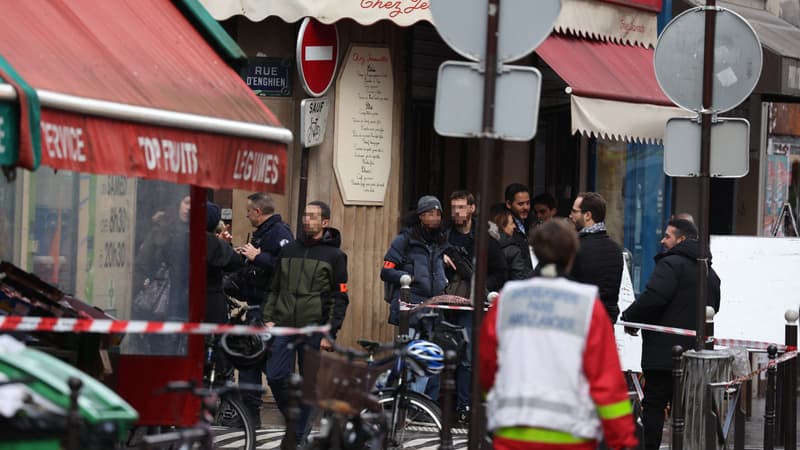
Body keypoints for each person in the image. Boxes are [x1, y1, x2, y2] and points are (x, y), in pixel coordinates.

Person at [478, 219, 638, 450]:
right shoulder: (587, 305)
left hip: (513, 433)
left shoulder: (508, 300)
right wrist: (622, 439)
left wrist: (496, 403)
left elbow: (487, 365)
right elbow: (606, 381)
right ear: (572, 255)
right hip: (571, 436)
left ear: (536, 252)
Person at [621, 218, 721, 450]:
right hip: (696, 354)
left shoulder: (671, 264)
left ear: (681, 239)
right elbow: (715, 306)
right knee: (689, 408)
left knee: (655, 404)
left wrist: (630, 317)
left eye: (667, 236)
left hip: (664, 354)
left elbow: (654, 297)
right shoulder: (709, 270)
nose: (662, 240)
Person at [263, 200, 349, 446]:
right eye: (305, 215)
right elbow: (274, 287)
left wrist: (330, 333)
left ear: (325, 222)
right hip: (283, 325)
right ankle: (296, 421)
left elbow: (340, 297)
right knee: (276, 376)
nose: (306, 220)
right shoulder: (288, 249)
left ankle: (298, 436)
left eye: (312, 216)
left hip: (314, 329)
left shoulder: (335, 256)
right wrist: (268, 317)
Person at [231, 192, 294, 425]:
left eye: (248, 211)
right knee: (248, 364)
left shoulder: (280, 234)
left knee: (276, 373)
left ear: (258, 212)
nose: (246, 215)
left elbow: (288, 269)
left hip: (273, 312)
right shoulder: (261, 234)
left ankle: (295, 416)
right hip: (256, 309)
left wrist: (259, 257)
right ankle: (249, 417)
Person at [443, 190, 505, 424]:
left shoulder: (484, 239)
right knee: (444, 355)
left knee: (468, 359)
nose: (457, 212)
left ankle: (464, 406)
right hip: (447, 304)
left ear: (472, 209)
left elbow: (500, 272)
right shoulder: (445, 237)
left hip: (471, 306)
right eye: (454, 207)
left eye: (461, 207)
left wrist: (482, 288)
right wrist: (440, 259)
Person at [381, 195, 450, 400]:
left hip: (434, 310)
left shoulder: (440, 242)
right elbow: (386, 270)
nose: (435, 218)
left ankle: (420, 404)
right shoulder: (404, 240)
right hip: (411, 308)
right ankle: (405, 404)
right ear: (421, 216)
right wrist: (406, 277)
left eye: (438, 214)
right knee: (410, 359)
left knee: (429, 360)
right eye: (430, 214)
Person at [569, 192, 624, 324]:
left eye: (574, 211)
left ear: (587, 215)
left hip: (580, 323)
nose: (570, 216)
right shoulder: (616, 249)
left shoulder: (574, 247)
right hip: (607, 323)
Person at [205, 201, 242, 324]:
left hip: (183, 303)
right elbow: (236, 263)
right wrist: (225, 245)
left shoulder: (184, 239)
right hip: (213, 304)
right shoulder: (217, 244)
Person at [489, 202, 532, 282]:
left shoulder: (484, 244)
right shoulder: (513, 250)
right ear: (502, 225)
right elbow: (518, 280)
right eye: (512, 223)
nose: (514, 226)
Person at [504, 183, 535, 273]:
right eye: (520, 204)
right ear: (509, 204)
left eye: (528, 203)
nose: (526, 207)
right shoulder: (505, 226)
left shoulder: (533, 222)